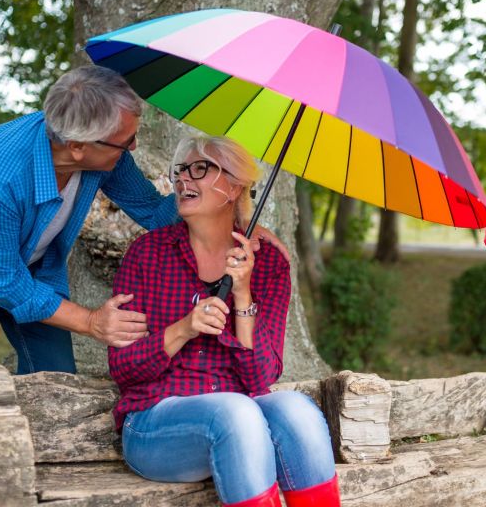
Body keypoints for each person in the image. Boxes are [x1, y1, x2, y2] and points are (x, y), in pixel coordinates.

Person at [0, 66, 286, 507]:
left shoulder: (103, 150)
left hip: (29, 267)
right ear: (78, 146)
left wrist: (238, 220)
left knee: (54, 380)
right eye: (125, 141)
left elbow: (153, 210)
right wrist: (90, 321)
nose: (132, 147)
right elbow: (5, 282)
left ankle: (20, 482)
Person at [108, 136, 340, 507]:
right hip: (156, 423)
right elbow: (123, 368)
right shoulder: (147, 255)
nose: (183, 179)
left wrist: (243, 294)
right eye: (181, 170)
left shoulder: (268, 264)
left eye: (199, 168)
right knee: (236, 412)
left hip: (241, 420)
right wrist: (183, 329)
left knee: (299, 412)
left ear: (233, 187)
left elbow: (261, 378)